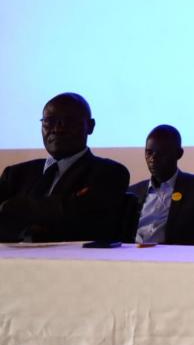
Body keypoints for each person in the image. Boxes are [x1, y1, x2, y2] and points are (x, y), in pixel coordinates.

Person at [0, 93, 129, 242]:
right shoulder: (15, 174)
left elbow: (78, 214)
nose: (57, 129)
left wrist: (11, 207)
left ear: (90, 126)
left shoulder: (110, 172)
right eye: (49, 122)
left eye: (69, 121)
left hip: (75, 256)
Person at [129, 125, 194, 245]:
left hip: (177, 255)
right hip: (131, 253)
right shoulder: (132, 192)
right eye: (149, 153)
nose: (153, 158)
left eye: (162, 153)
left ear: (179, 153)